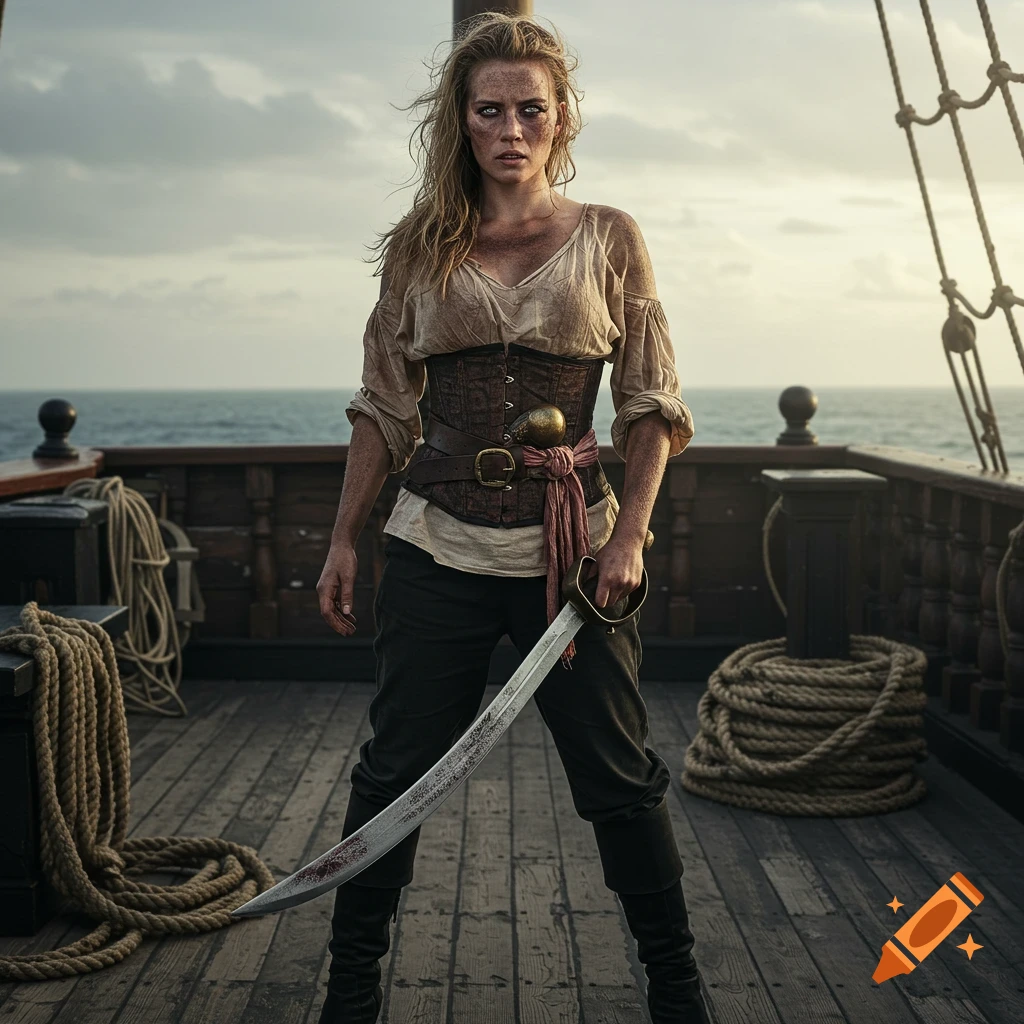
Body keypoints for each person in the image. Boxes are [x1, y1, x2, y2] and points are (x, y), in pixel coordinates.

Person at [314, 13, 708, 1023]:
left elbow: (653, 407)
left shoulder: (609, 237)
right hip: (434, 544)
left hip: (570, 562)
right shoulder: (420, 246)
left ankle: (679, 988)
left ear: (560, 116)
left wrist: (627, 540)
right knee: (394, 774)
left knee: (619, 776)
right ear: (462, 121)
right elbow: (382, 409)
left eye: (530, 109)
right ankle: (348, 994)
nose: (510, 128)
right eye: (489, 109)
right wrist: (343, 538)